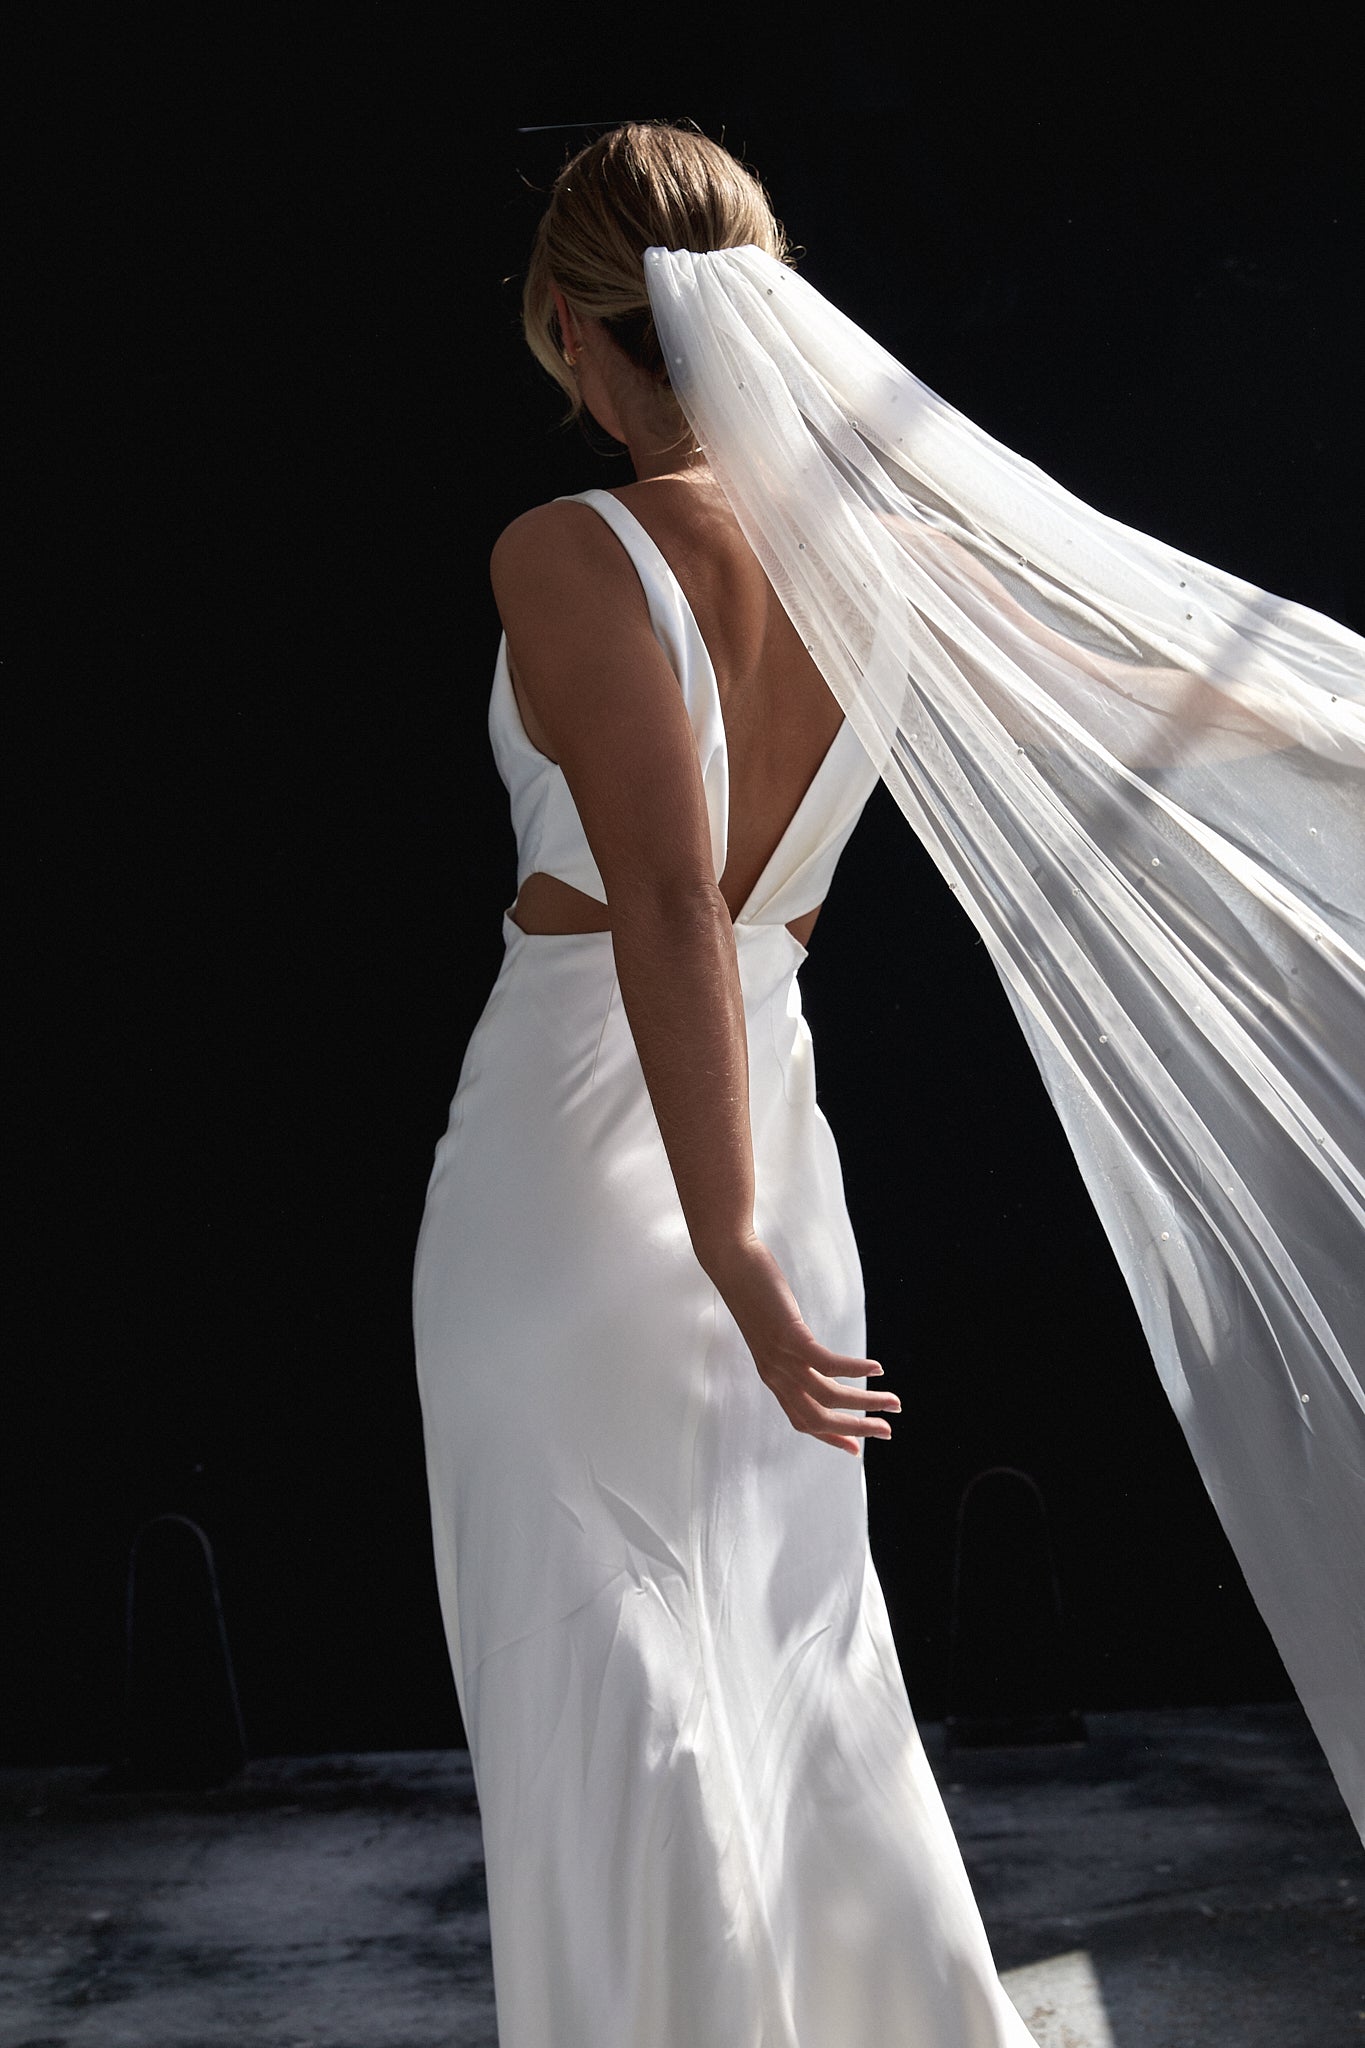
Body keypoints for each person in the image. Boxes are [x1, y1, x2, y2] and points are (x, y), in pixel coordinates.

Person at [415, 122, 1364, 2045]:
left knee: (610, 1693)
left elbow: (668, 897)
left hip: (591, 1187)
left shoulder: (562, 548)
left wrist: (729, 1253)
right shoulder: (895, 571)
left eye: (563, 348)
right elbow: (1182, 704)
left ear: (584, 336)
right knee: (792, 1673)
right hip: (772, 1139)